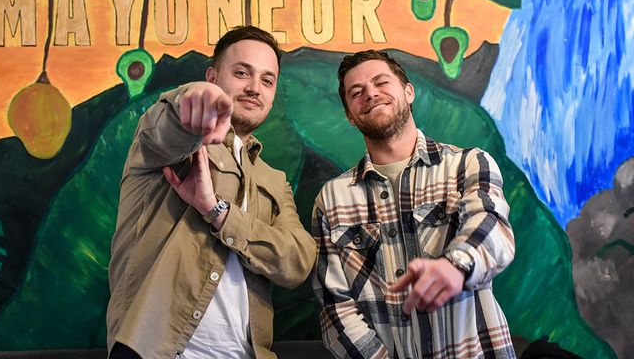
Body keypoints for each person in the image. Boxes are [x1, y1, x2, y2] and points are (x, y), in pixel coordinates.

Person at [107, 26, 316, 359]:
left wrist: (217, 211)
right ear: (212, 77)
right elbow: (168, 124)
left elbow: (297, 262)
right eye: (241, 73)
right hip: (157, 351)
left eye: (267, 80)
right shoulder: (173, 142)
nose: (254, 88)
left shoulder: (275, 180)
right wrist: (195, 99)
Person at [312, 50, 516, 359]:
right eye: (357, 92)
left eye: (381, 82)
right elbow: (336, 309)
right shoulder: (331, 199)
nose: (370, 93)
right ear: (350, 116)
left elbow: (492, 225)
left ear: (409, 92)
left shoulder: (468, 165)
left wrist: (456, 265)